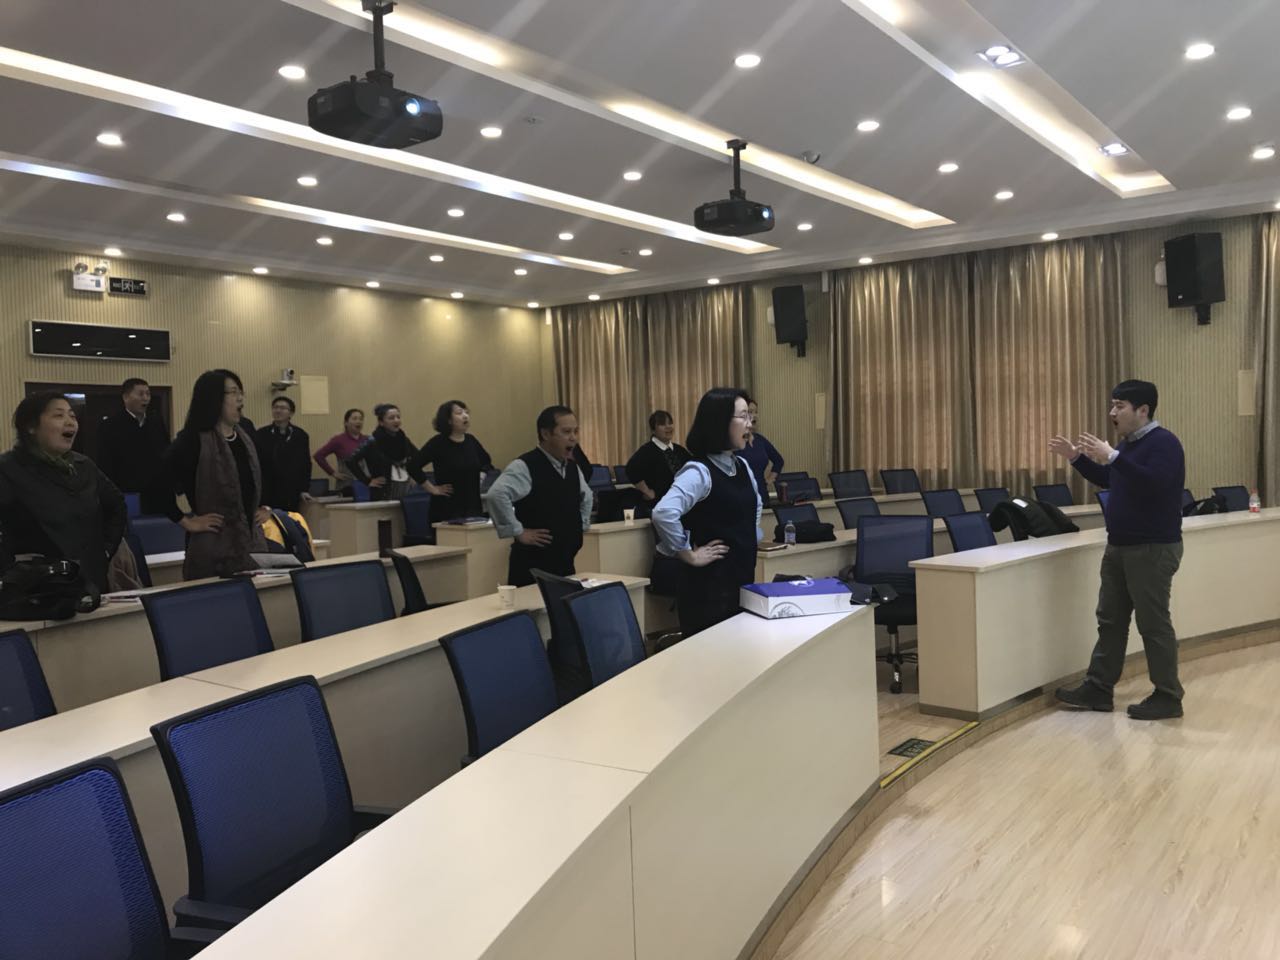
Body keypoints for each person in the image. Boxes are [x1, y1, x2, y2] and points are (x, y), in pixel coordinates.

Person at [1050, 379, 1187, 721]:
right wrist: (1077, 458)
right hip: (1119, 546)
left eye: (1119, 406)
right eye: (1112, 405)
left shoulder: (1164, 443)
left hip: (1152, 548)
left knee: (1153, 624)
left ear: (1143, 410)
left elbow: (1154, 483)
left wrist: (1112, 456)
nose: (1112, 412)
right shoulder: (1129, 446)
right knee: (1110, 620)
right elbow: (1113, 479)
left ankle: (1168, 696)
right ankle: (1098, 688)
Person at [652, 388, 762, 637]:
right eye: (743, 416)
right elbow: (663, 513)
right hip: (708, 590)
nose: (750, 423)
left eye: (750, 416)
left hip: (742, 579)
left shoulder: (741, 465)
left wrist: (749, 536)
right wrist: (688, 554)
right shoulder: (699, 471)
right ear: (720, 422)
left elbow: (756, 504)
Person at [0, 393, 126, 594]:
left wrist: (104, 551)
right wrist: (12, 574)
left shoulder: (84, 466)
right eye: (58, 415)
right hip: (37, 590)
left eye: (72, 416)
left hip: (91, 583)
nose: (70, 422)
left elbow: (116, 505)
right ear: (31, 426)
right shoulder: (8, 469)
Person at [163, 370, 270, 580]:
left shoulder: (246, 435)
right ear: (213, 398)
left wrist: (265, 506)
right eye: (233, 392)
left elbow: (262, 475)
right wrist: (186, 521)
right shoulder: (192, 440)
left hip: (253, 547)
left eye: (240, 392)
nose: (240, 398)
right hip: (212, 550)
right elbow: (156, 484)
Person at [486, 405, 594, 587]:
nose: (573, 438)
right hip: (533, 566)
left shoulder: (572, 467)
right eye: (566, 432)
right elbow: (496, 495)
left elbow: (587, 496)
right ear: (545, 434)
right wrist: (518, 531)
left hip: (565, 562)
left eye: (575, 431)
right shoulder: (525, 465)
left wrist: (581, 525)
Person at [408, 400, 493, 523]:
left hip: (472, 506)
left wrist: (481, 476)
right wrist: (432, 489)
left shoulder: (471, 440)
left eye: (466, 412)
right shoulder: (438, 443)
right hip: (447, 508)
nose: (465, 416)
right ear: (448, 420)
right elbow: (413, 466)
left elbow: (486, 461)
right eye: (459, 413)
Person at [95, 378, 170, 515]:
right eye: (140, 394)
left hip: (156, 494)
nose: (145, 398)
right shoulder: (110, 426)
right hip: (126, 494)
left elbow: (166, 454)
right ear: (125, 397)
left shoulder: (156, 423)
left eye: (148, 394)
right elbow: (104, 463)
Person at [346, 403, 421, 501]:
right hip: (383, 493)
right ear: (381, 422)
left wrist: (414, 475)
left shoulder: (403, 439)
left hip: (405, 490)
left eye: (398, 417)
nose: (396, 420)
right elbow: (351, 460)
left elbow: (419, 456)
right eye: (391, 418)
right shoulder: (372, 441)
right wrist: (367, 481)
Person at [625, 410, 691, 514]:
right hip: (659, 506)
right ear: (653, 430)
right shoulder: (647, 451)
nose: (668, 427)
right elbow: (631, 469)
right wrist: (647, 491)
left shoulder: (680, 450)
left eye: (670, 423)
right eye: (662, 424)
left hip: (682, 504)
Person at [253, 396, 311, 512]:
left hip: (292, 490)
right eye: (275, 407)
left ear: (291, 413)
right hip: (268, 490)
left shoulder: (300, 435)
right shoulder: (261, 434)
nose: (278, 410)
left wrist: (304, 489)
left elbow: (305, 463)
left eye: (283, 408)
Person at [313, 408, 367, 495]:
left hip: (365, 484)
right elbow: (318, 456)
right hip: (346, 485)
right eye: (354, 418)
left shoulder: (367, 440)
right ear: (346, 423)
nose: (358, 421)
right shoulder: (338, 440)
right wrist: (333, 473)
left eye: (361, 419)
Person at [739, 396, 784, 501]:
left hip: (762, 495)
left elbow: (779, 461)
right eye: (750, 412)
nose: (754, 415)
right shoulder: (733, 442)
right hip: (742, 498)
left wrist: (769, 480)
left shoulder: (760, 440)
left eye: (756, 412)